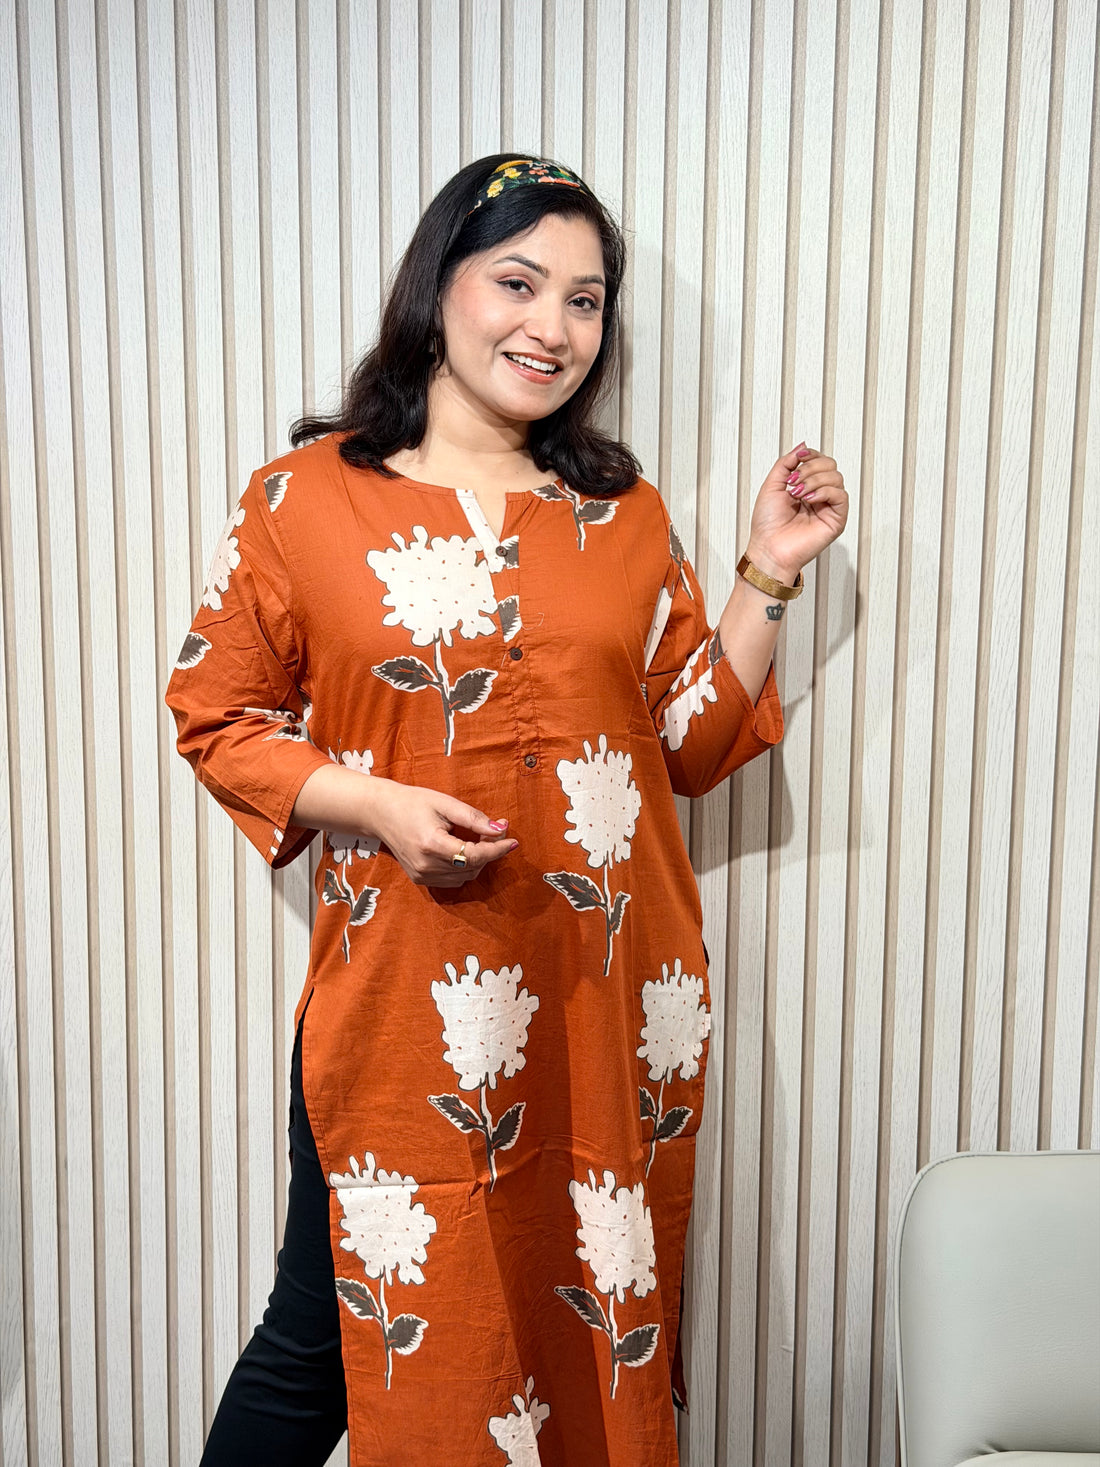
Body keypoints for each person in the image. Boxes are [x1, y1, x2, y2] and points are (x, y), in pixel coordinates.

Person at [166, 153, 846, 1467]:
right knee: (330, 1334)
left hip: (602, 991)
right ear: (441, 288)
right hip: (403, 1005)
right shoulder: (304, 499)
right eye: (520, 283)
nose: (554, 328)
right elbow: (217, 714)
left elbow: (691, 746)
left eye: (586, 301)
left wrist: (768, 571)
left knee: (580, 1313)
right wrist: (374, 804)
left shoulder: (621, 515)